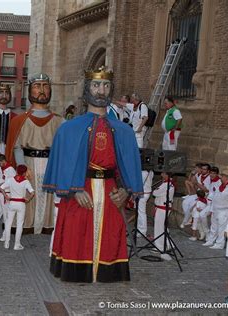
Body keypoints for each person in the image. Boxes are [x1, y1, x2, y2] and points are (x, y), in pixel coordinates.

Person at [43, 67, 143, 283]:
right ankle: (77, 271)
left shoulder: (124, 131)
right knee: (77, 234)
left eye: (106, 85)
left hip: (110, 191)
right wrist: (73, 190)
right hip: (81, 190)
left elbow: (128, 164)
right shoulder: (68, 129)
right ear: (87, 89)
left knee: (110, 235)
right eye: (96, 85)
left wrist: (126, 190)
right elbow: (63, 162)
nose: (101, 90)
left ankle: (108, 272)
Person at [5, 73, 64, 234]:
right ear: (30, 91)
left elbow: (64, 149)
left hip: (50, 163)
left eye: (45, 86)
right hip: (28, 162)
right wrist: (22, 166)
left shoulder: (60, 121)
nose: (42, 90)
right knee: (28, 193)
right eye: (37, 86)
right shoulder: (19, 120)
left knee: (48, 196)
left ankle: (47, 223)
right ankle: (26, 224)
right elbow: (16, 146)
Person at [1, 164, 35, 250]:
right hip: (21, 204)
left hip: (12, 202)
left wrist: (5, 196)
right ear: (24, 173)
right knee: (20, 224)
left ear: (16, 171)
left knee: (8, 223)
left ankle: (6, 243)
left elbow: (1, 187)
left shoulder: (10, 180)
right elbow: (32, 192)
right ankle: (17, 244)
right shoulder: (26, 181)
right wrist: (28, 199)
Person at [206, 169, 228, 250]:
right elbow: (215, 197)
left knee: (221, 228)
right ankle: (211, 240)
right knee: (213, 226)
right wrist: (211, 209)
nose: (221, 177)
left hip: (225, 211)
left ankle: (220, 243)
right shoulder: (219, 186)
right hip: (216, 209)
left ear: (227, 178)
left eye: (222, 176)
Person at [152, 172, 175, 261]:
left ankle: (160, 246)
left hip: (162, 208)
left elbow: (155, 193)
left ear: (167, 175)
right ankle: (169, 244)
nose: (162, 175)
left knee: (159, 227)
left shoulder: (166, 185)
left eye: (163, 174)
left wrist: (156, 189)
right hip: (163, 207)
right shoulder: (167, 184)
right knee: (163, 227)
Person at [181, 163, 211, 228]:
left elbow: (207, 190)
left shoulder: (209, 178)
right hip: (197, 194)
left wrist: (196, 183)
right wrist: (194, 184)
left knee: (191, 206)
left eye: (204, 169)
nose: (202, 170)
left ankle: (185, 221)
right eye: (202, 169)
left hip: (204, 196)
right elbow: (194, 184)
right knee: (185, 202)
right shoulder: (200, 176)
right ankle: (188, 216)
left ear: (208, 171)